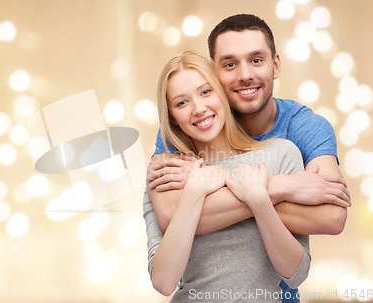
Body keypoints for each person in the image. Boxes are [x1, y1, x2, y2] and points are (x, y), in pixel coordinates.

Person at [145, 14, 351, 302]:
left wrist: (247, 194)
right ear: (215, 72)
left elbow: (331, 216)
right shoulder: (175, 147)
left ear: (275, 64)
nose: (244, 75)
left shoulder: (294, 138)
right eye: (230, 64)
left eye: (256, 60)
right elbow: (168, 217)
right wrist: (278, 188)